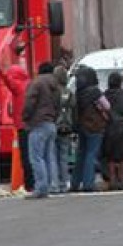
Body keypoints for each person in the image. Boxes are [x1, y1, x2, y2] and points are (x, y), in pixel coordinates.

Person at [22, 62, 61, 199]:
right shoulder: (56, 86)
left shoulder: (36, 83)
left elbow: (29, 102)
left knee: (36, 157)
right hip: (51, 123)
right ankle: (52, 185)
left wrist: (25, 117)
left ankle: (41, 187)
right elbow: (58, 105)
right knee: (49, 157)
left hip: (38, 123)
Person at [0, 54, 34, 192]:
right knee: (37, 155)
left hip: (23, 126)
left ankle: (30, 185)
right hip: (35, 125)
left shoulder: (17, 86)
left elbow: (7, 81)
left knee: (26, 157)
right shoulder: (31, 83)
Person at [70, 65, 110, 193]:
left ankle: (75, 183)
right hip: (95, 127)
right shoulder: (95, 92)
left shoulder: (78, 93)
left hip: (81, 126)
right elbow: (107, 106)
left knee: (81, 154)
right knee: (91, 154)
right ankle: (88, 183)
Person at [53, 65, 75, 194]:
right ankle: (64, 182)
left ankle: (55, 182)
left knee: (53, 156)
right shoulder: (69, 92)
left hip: (55, 125)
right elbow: (73, 106)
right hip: (66, 126)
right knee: (64, 156)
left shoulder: (53, 91)